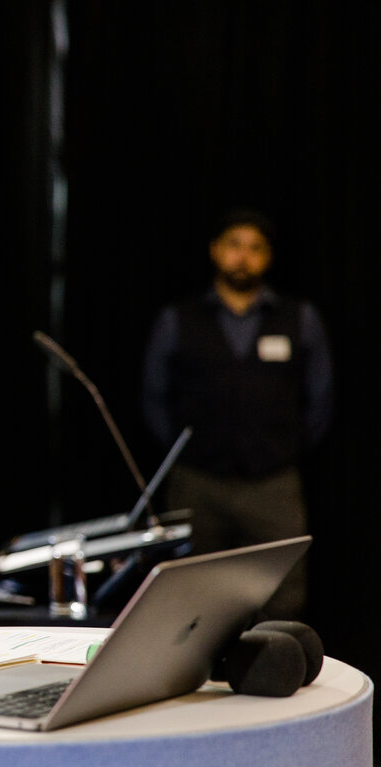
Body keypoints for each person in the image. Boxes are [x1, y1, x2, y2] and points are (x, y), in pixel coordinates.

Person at [141, 208, 334, 620]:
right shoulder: (178, 319)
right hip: (197, 483)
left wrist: (282, 448)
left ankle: (273, 674)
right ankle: (192, 679)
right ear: (215, 250)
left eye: (255, 248)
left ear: (268, 258)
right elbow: (155, 398)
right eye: (234, 245)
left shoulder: (299, 318)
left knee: (283, 594)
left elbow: (320, 402)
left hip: (273, 484)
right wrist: (191, 449)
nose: (243, 257)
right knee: (189, 592)